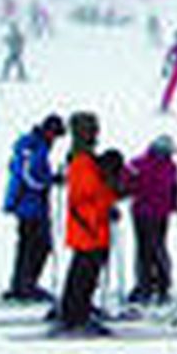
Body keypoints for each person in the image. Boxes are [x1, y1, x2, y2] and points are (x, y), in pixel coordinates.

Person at [57, 113, 125, 333]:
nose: (96, 133)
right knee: (84, 271)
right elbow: (88, 193)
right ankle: (76, 314)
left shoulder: (86, 159)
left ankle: (77, 310)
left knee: (86, 270)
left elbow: (97, 192)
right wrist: (108, 183)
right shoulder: (82, 161)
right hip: (88, 225)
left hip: (91, 224)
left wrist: (110, 188)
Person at [1, 114, 66, 302]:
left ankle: (21, 283)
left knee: (27, 245)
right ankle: (27, 285)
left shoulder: (31, 145)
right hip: (30, 205)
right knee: (38, 245)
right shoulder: (37, 148)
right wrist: (50, 181)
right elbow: (31, 177)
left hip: (26, 203)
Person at [127, 135, 177, 304]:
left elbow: (175, 186)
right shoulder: (138, 164)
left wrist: (175, 202)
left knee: (158, 248)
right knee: (145, 249)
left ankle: (162, 285)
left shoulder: (171, 166)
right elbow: (128, 182)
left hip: (161, 214)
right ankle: (145, 285)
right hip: (142, 214)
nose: (169, 156)